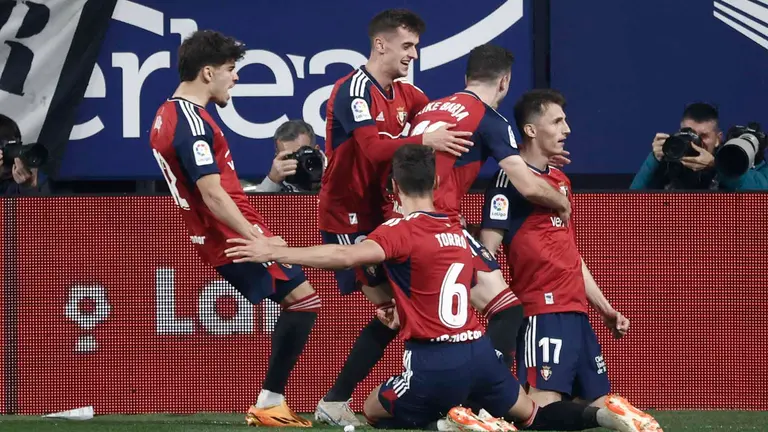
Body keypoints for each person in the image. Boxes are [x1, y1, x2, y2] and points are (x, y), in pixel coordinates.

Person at [225, 145, 663, 432]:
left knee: (374, 409)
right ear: (436, 185)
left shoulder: (398, 230)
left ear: (393, 187)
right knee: (532, 414)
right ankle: (605, 414)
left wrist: (279, 251)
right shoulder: (458, 231)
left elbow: (345, 257)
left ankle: (449, 423)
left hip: (433, 360)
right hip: (481, 354)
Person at [148, 30, 318, 428]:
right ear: (207, 73)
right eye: (229, 70)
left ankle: (270, 402)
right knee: (305, 301)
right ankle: (269, 403)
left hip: (218, 230)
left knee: (302, 301)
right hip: (227, 230)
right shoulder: (189, 121)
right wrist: (256, 237)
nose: (235, 77)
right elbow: (213, 193)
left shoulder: (166, 113)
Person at [316, 8, 473, 425]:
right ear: (380, 44)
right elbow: (372, 149)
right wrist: (424, 137)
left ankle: (347, 399)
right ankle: (354, 400)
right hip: (349, 218)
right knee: (393, 311)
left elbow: (439, 118)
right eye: (407, 46)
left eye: (416, 47)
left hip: (389, 217)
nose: (413, 55)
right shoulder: (352, 89)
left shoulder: (408, 95)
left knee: (402, 310)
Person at [391, 44, 573, 372]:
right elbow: (529, 187)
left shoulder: (430, 110)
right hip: (435, 226)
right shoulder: (490, 119)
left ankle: (337, 397)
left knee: (393, 315)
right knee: (507, 310)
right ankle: (488, 400)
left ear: (466, 77)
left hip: (396, 219)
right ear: (504, 82)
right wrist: (561, 200)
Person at [480, 89, 630, 410]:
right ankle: (478, 412)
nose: (567, 129)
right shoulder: (509, 181)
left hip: (576, 311)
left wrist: (605, 308)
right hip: (541, 312)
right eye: (558, 121)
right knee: (542, 406)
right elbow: (487, 251)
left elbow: (571, 254)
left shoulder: (560, 179)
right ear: (531, 130)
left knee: (603, 404)